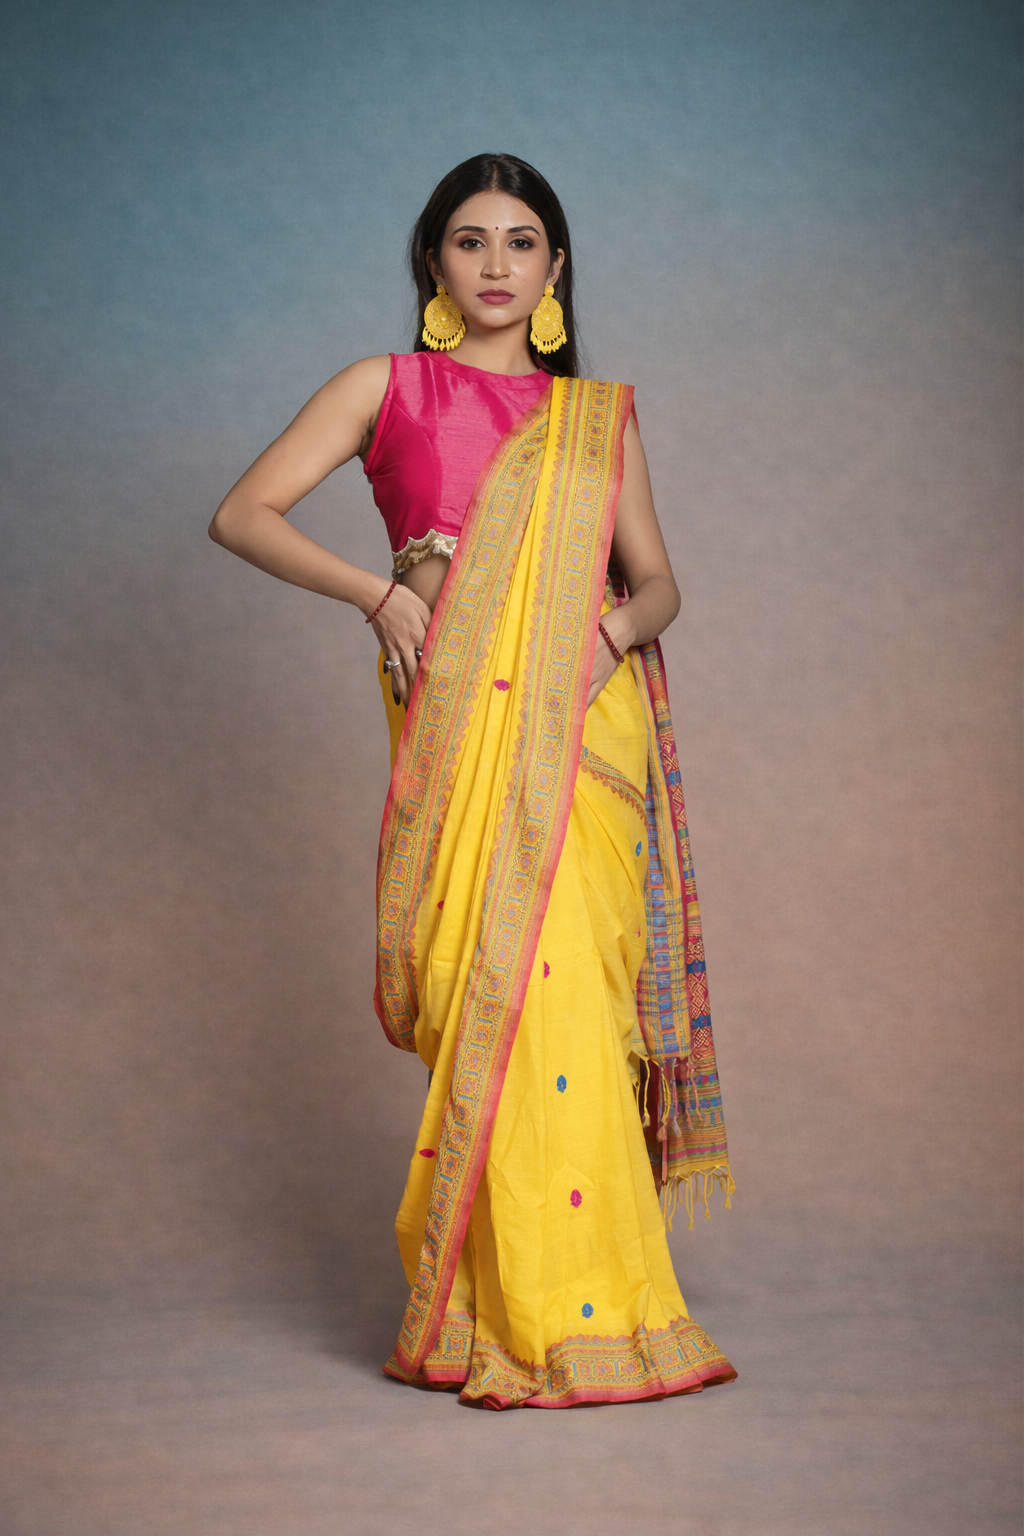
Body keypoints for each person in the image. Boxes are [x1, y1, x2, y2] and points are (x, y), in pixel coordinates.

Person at [210, 153, 735, 1409]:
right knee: (482, 988)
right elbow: (244, 513)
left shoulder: (596, 417)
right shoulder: (383, 388)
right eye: (469, 240)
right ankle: (487, 1309)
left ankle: (585, 1315)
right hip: (454, 715)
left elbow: (659, 579)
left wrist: (612, 633)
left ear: (555, 270)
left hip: (581, 722)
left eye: (521, 241)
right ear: (433, 265)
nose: (496, 263)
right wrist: (378, 593)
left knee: (567, 999)